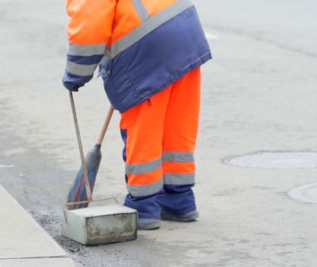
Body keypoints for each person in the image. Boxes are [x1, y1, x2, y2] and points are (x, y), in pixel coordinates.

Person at [63, 0, 212, 230]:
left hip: (149, 47)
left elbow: (90, 23)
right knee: (177, 124)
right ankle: (178, 199)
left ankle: (143, 205)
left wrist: (76, 72)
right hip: (184, 33)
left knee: (144, 128)